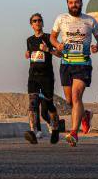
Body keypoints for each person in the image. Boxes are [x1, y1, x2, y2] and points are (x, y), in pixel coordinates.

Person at [50, 0, 98, 147]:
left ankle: (74, 132)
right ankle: (85, 115)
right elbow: (52, 37)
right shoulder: (61, 19)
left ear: (81, 2)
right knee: (69, 101)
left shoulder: (90, 21)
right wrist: (57, 44)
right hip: (66, 63)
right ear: (67, 4)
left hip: (83, 64)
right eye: (71, 2)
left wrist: (97, 47)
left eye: (77, 2)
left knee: (76, 96)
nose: (74, 5)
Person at [24, 13, 60, 145]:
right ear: (31, 24)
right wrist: (27, 54)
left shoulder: (49, 38)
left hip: (47, 77)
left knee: (49, 105)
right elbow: (31, 54)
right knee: (32, 104)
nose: (37, 22)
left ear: (42, 23)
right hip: (33, 76)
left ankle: (55, 128)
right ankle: (33, 132)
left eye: (40, 20)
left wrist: (48, 49)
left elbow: (60, 53)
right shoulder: (29, 40)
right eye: (35, 21)